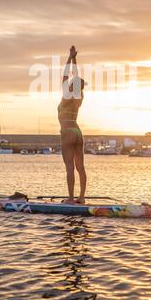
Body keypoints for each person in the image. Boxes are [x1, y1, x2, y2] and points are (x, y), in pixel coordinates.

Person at [58, 46, 87, 204]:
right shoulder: (79, 96)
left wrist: (69, 58)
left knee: (70, 167)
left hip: (67, 131)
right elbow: (76, 76)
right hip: (78, 131)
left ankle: (70, 198)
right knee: (80, 167)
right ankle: (81, 198)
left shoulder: (66, 95)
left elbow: (66, 74)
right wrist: (75, 58)